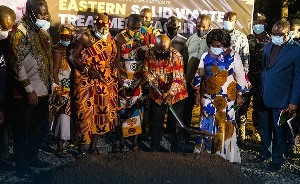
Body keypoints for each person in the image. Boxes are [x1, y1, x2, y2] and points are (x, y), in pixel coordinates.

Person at [8, 0, 52, 177]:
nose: (45, 17)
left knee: (36, 130)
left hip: (42, 91)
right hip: (27, 93)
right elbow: (15, 63)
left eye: (46, 13)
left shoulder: (41, 30)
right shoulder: (20, 31)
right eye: (41, 14)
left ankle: (33, 158)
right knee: (23, 132)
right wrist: (29, 89)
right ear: (31, 12)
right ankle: (22, 168)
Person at [193, 29, 248, 162]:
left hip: (227, 98)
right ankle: (205, 152)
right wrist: (196, 92)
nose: (215, 48)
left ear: (224, 44)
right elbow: (199, 74)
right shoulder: (206, 55)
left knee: (224, 124)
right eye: (213, 45)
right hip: (207, 96)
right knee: (206, 122)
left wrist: (240, 95)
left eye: (218, 46)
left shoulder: (234, 56)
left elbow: (240, 76)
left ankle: (222, 156)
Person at [69, 13, 118, 157]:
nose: (103, 32)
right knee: (84, 114)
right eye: (100, 28)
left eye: (106, 28)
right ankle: (81, 149)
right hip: (85, 81)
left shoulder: (110, 38)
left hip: (103, 81)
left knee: (100, 113)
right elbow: (72, 57)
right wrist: (88, 70)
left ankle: (93, 146)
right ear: (95, 25)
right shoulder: (83, 37)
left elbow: (113, 59)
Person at [258, 20, 300, 171]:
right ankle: (265, 152)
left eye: (279, 34)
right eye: (273, 33)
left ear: (287, 34)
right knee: (264, 127)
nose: (275, 36)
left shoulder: (296, 50)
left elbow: (298, 77)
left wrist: (294, 101)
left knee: (279, 130)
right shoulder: (268, 45)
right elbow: (265, 69)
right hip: (264, 93)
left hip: (282, 97)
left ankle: (277, 158)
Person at [144, 34, 188, 152]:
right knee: (156, 122)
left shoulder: (176, 56)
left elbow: (178, 79)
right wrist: (151, 80)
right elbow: (146, 70)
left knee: (176, 124)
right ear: (154, 47)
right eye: (159, 50)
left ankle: (177, 148)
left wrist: (170, 95)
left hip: (177, 94)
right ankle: (155, 148)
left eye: (165, 50)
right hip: (158, 94)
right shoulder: (149, 53)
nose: (162, 53)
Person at [115, 14, 147, 151]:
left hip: (140, 79)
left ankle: (135, 142)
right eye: (133, 27)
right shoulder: (119, 38)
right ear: (128, 24)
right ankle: (121, 141)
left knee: (138, 109)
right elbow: (116, 63)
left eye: (138, 28)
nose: (135, 30)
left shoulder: (146, 36)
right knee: (123, 109)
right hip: (124, 79)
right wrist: (120, 85)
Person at [51, 23, 77, 157]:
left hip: (72, 87)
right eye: (63, 36)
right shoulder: (57, 50)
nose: (66, 39)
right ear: (59, 35)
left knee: (71, 114)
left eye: (68, 37)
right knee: (63, 114)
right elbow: (54, 72)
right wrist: (58, 91)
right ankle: (60, 146)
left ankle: (70, 140)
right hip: (62, 87)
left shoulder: (71, 49)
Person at [244, 13, 271, 137]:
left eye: (259, 23)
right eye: (255, 23)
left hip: (263, 79)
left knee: (259, 105)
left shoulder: (271, 41)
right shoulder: (247, 39)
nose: (256, 25)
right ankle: (241, 131)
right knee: (243, 104)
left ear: (265, 24)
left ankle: (257, 131)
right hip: (247, 78)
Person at [183, 14, 211, 131]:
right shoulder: (190, 39)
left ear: (209, 26)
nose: (200, 29)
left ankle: (203, 138)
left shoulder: (212, 41)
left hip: (205, 82)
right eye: (198, 26)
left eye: (204, 27)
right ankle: (185, 134)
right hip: (189, 80)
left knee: (205, 110)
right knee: (186, 109)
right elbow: (184, 59)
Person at [165, 16, 188, 134]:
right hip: (163, 78)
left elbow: (184, 60)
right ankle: (166, 131)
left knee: (176, 107)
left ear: (178, 27)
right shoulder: (161, 39)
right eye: (169, 24)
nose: (171, 27)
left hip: (177, 77)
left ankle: (175, 133)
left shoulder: (183, 41)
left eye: (174, 25)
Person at [0, 5, 16, 161]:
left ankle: (4, 153)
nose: (7, 33)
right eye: (4, 29)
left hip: (5, 95)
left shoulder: (6, 43)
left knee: (4, 126)